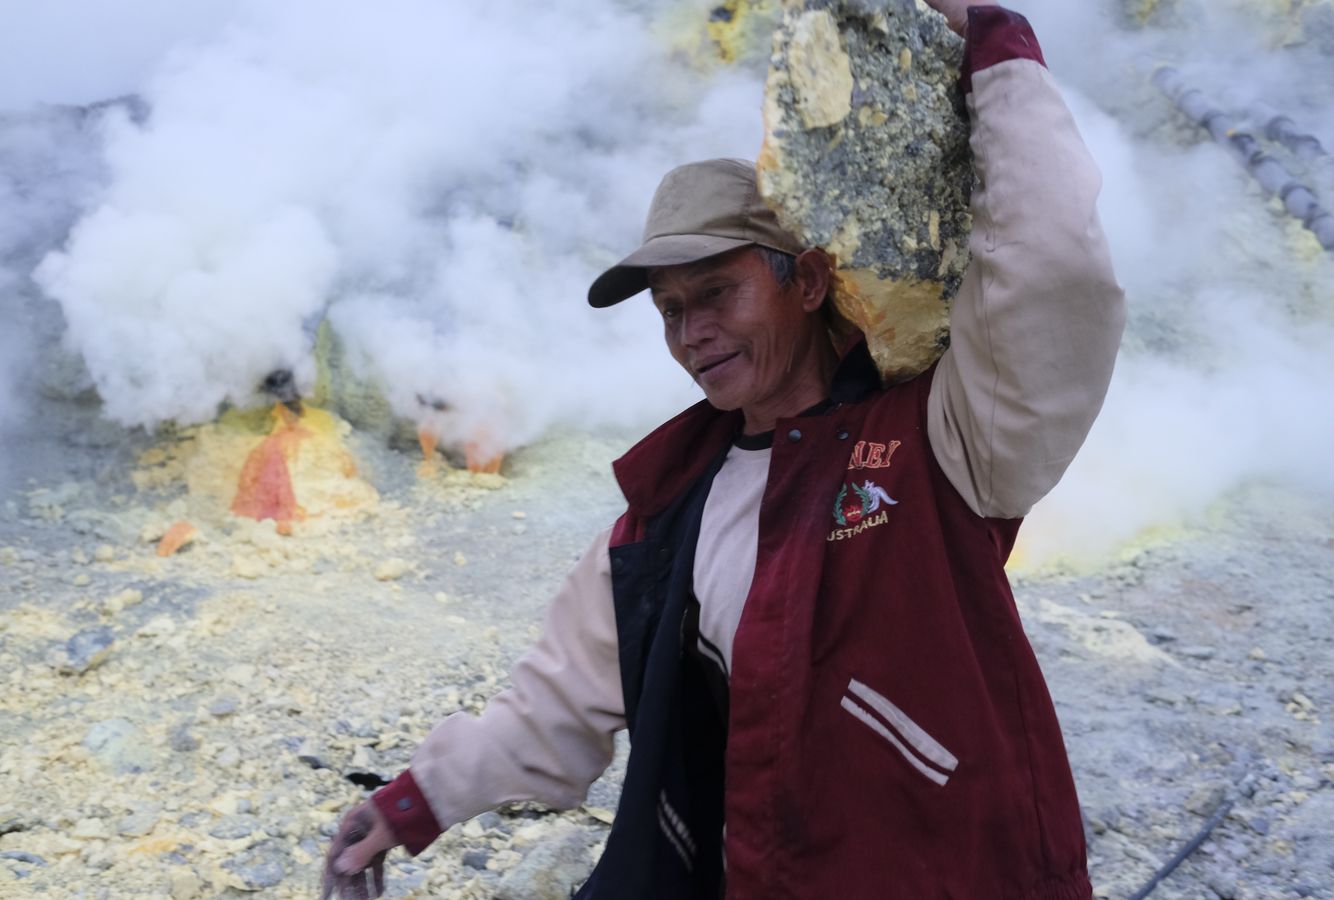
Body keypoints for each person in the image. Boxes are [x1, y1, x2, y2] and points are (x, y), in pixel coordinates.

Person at [323, 2, 1125, 897]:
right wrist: (406, 806)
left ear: (808, 280)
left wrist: (995, 45)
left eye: (717, 292)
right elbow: (555, 706)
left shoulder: (942, 440)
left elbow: (1053, 268)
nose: (692, 333)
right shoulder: (664, 517)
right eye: (670, 310)